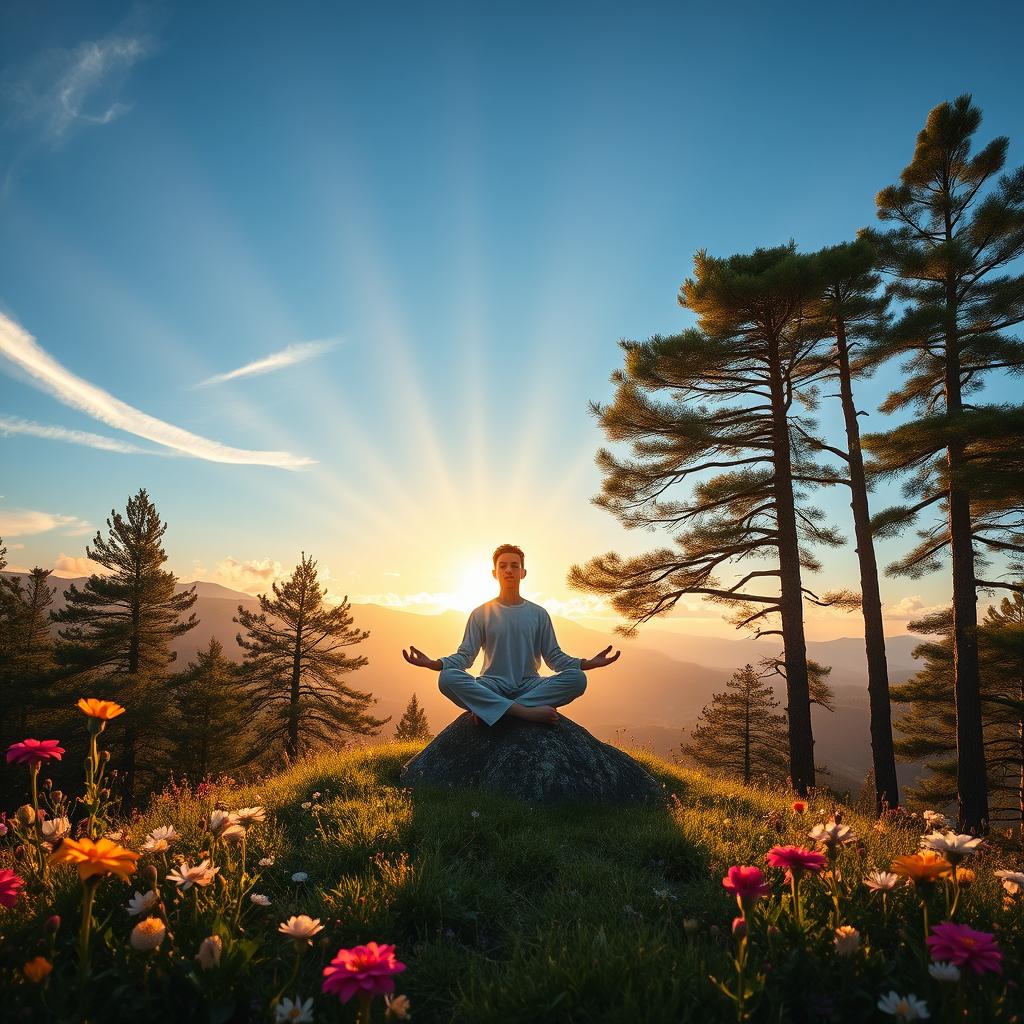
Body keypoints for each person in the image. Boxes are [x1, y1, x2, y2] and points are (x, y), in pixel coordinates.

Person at [401, 543, 621, 726]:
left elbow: (554, 658)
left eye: (514, 566)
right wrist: (434, 663)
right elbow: (465, 656)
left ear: (523, 573)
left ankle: (492, 710)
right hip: (491, 685)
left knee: (578, 679)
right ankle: (524, 712)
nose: (508, 570)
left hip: (529, 685)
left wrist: (588, 663)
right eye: (503, 566)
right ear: (494, 572)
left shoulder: (538, 614)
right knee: (447, 678)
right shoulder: (480, 613)